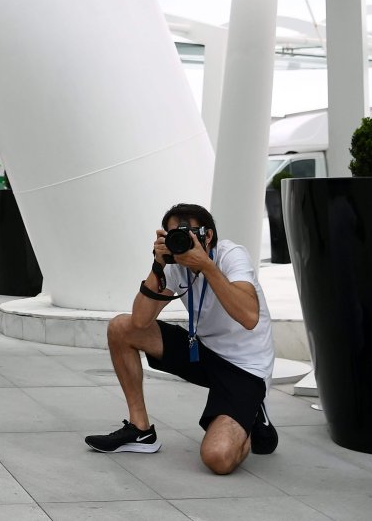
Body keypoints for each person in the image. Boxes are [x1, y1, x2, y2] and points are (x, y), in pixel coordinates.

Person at [85, 203, 278, 475]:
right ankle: (140, 431)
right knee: (121, 327)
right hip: (202, 352)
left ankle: (251, 419)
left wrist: (207, 267)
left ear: (208, 236)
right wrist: (158, 266)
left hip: (244, 369)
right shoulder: (175, 266)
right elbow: (140, 322)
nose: (181, 240)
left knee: (218, 458)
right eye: (174, 234)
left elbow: (249, 317)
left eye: (187, 233)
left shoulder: (231, 255)